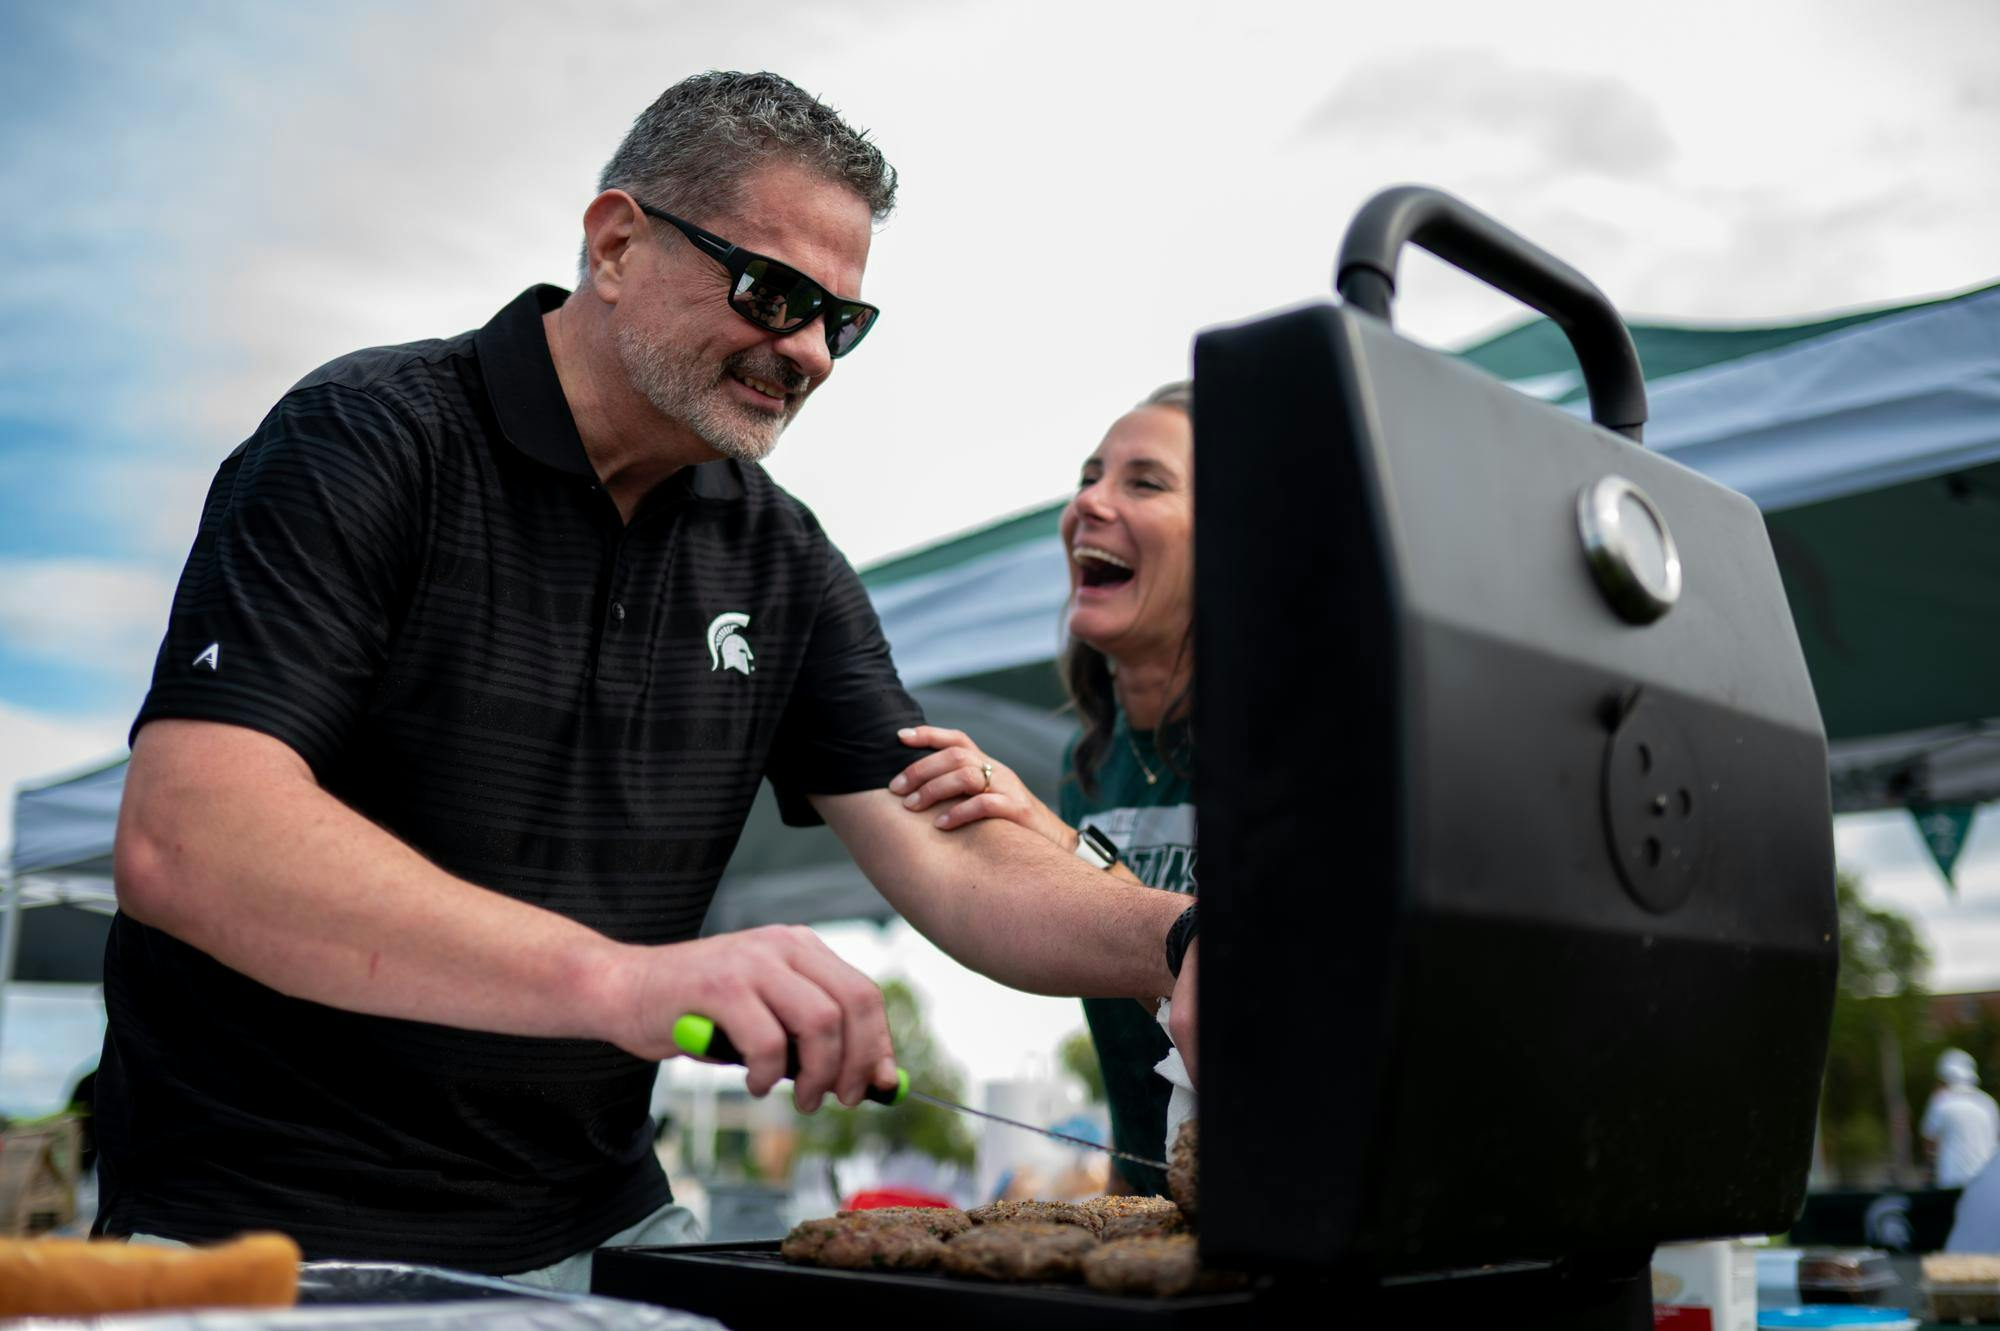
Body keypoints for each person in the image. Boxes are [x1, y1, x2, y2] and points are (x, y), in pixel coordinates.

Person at [99, 71, 1195, 1288]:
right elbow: (188, 836)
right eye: (774, 293)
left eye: (844, 319)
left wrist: (1189, 938)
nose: (810, 353)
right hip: (257, 1240)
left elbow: (948, 848)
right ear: (615, 242)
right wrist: (622, 979)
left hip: (599, 1241)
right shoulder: (367, 437)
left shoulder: (778, 555)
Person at [890, 382, 1196, 1195]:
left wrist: (1054, 841)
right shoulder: (1086, 766)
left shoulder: (1305, 744)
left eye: (1145, 481)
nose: (1089, 501)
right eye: (1089, 476)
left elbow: (1253, 987)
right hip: (1149, 1223)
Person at [1925, 1048, 2000, 1188]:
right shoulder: (1988, 1103)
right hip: (1986, 1183)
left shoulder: (1941, 1101)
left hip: (1952, 1183)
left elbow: (1930, 1143)